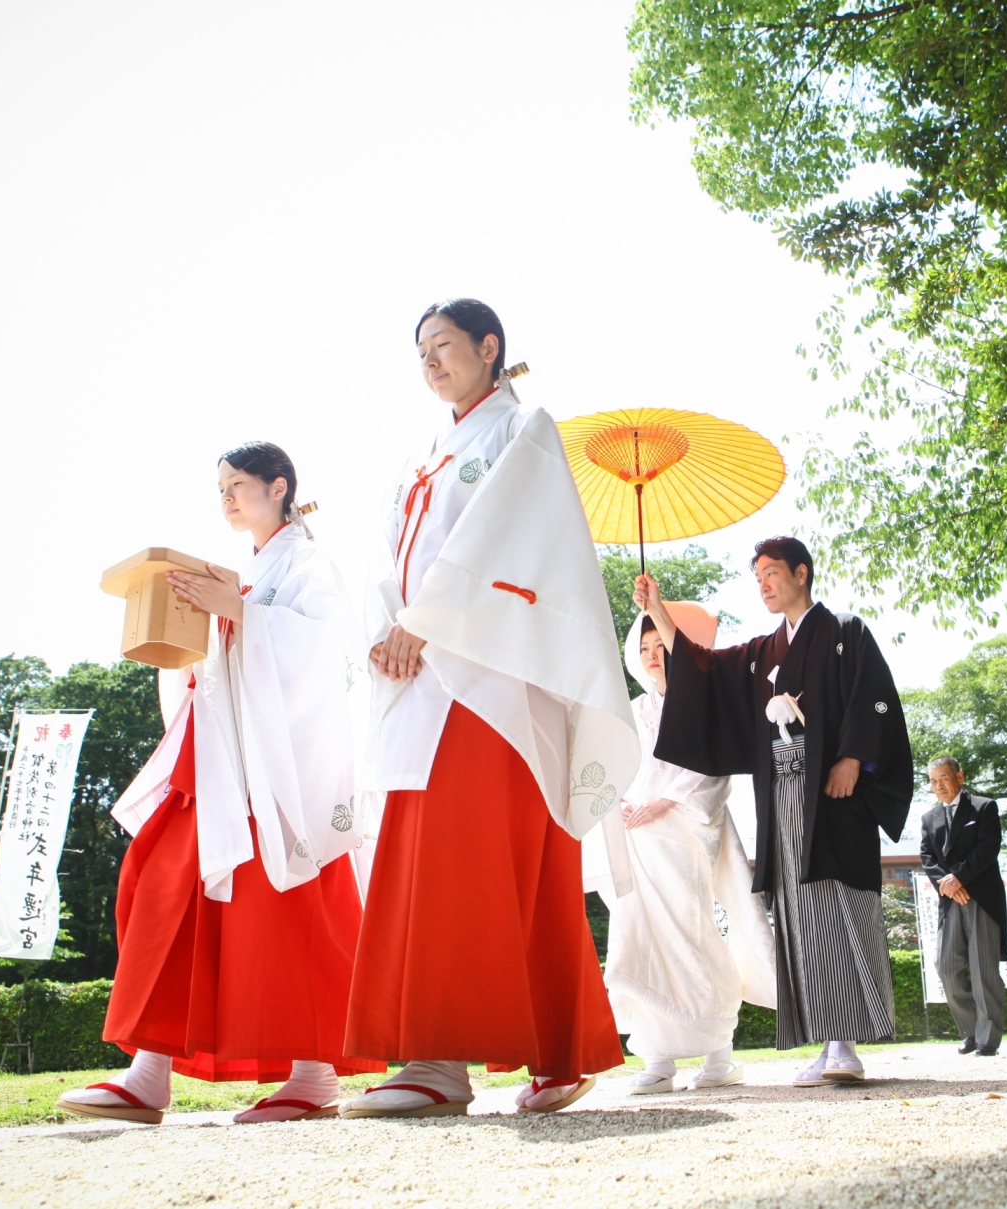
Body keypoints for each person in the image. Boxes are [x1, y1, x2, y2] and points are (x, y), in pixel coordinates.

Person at [341, 299, 635, 1118]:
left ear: (489, 347)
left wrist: (423, 625)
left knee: (476, 852)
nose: (430, 362)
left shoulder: (523, 430)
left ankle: (440, 1058)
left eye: (443, 346)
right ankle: (551, 1048)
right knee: (445, 850)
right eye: (421, 351)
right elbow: (385, 559)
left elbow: (508, 544)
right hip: (420, 677)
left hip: (492, 674)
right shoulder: (424, 453)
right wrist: (385, 631)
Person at [58, 443, 379, 1125]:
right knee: (163, 883)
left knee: (287, 904)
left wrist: (237, 611)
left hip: (275, 767)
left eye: (238, 485)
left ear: (279, 487)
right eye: (221, 488)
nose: (227, 497)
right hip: (218, 752)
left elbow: (321, 652)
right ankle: (149, 1070)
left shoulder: (306, 562)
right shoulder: (251, 567)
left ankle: (314, 1072)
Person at [636, 536, 912, 1086]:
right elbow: (704, 670)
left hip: (833, 797)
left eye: (771, 572)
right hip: (782, 800)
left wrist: (853, 758)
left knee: (838, 904)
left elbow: (874, 698)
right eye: (756, 575)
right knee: (799, 914)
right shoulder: (764, 651)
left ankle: (845, 1044)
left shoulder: (846, 633)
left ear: (801, 573)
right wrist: (657, 611)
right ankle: (829, 1040)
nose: (763, 583)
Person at [600, 607, 777, 1094]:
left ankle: (718, 1052)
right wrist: (623, 803)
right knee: (642, 936)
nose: (654, 657)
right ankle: (656, 1059)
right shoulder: (633, 710)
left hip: (683, 833)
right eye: (644, 650)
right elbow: (617, 766)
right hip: (638, 836)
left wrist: (663, 802)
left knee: (693, 933)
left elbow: (712, 769)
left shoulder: (702, 702)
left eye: (661, 648)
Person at [918, 756, 1007, 1056]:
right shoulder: (929, 818)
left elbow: (988, 848)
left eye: (944, 778)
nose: (939, 785)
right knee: (946, 966)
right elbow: (927, 857)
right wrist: (947, 883)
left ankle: (988, 1038)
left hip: (980, 897)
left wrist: (959, 877)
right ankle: (970, 1029)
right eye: (933, 781)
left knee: (984, 969)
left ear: (960, 776)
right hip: (950, 900)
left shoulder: (984, 807)